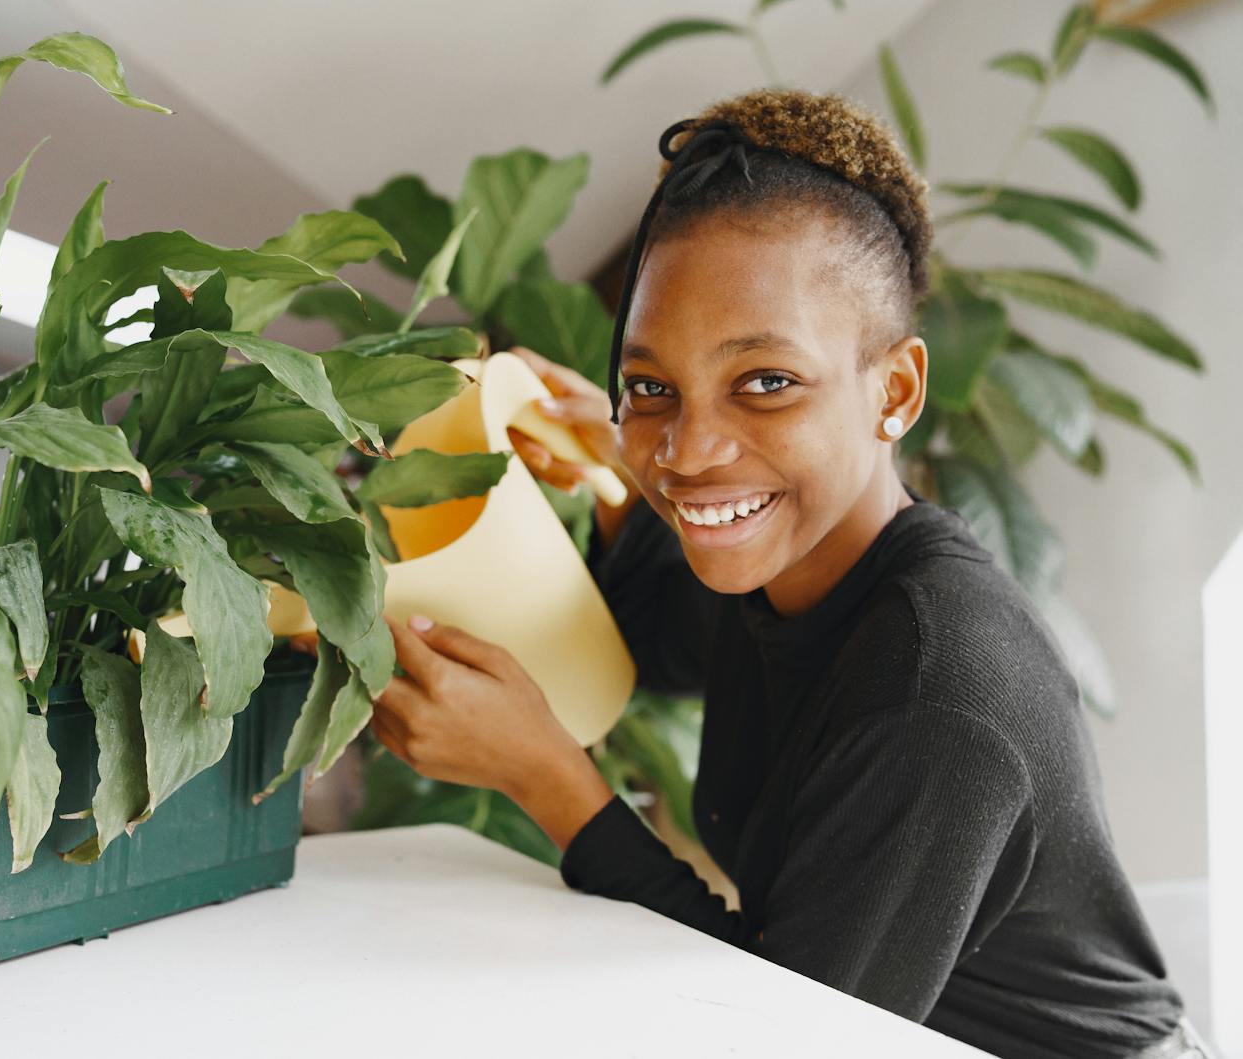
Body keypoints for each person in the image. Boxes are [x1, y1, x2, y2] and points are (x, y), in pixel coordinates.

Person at [332, 89, 1216, 1059]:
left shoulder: (937, 692)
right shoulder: (787, 568)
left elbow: (782, 1031)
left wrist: (551, 782)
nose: (688, 446)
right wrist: (626, 488)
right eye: (651, 386)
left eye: (764, 382)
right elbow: (657, 646)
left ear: (896, 390)